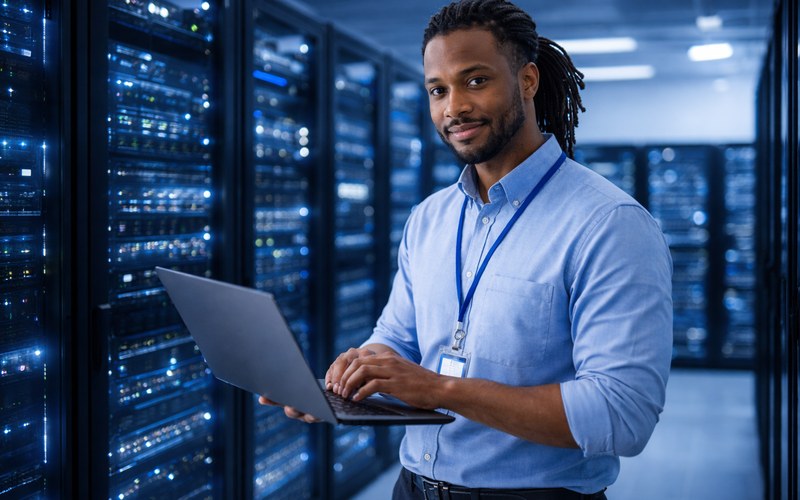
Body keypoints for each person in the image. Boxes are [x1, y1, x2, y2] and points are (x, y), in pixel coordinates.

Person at [261, 0, 673, 498]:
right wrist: (353, 376)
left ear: (527, 82)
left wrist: (438, 389)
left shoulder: (608, 224)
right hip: (413, 487)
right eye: (438, 90)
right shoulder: (430, 218)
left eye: (475, 80)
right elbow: (398, 336)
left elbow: (621, 414)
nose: (453, 107)